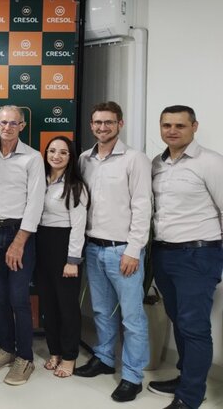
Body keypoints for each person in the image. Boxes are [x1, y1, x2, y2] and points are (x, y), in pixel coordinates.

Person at [75, 101, 151, 403]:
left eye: (108, 122)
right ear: (91, 125)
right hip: (93, 247)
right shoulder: (84, 159)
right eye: (97, 122)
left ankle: (133, 376)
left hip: (123, 251)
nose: (102, 127)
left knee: (132, 318)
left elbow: (142, 206)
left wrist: (134, 249)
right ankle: (105, 358)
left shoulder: (135, 159)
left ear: (120, 124)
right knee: (101, 311)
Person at [148, 106, 223, 409]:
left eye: (180, 125)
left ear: (194, 126)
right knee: (178, 320)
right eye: (166, 125)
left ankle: (190, 396)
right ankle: (185, 377)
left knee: (194, 326)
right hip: (164, 253)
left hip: (198, 254)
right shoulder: (157, 163)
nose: (172, 131)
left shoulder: (211, 162)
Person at [0, 104, 45, 386]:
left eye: (13, 123)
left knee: (18, 297)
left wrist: (19, 241)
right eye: (3, 122)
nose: (7, 127)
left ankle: (25, 357)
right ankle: (6, 349)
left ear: (22, 126)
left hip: (20, 233)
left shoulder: (33, 158)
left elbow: (36, 202)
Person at [36, 136, 88, 378]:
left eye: (63, 152)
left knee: (67, 306)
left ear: (71, 157)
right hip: (41, 244)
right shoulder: (40, 180)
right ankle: (54, 351)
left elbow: (78, 226)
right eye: (52, 151)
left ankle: (69, 356)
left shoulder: (76, 186)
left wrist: (72, 260)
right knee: (48, 304)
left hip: (64, 246)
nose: (56, 156)